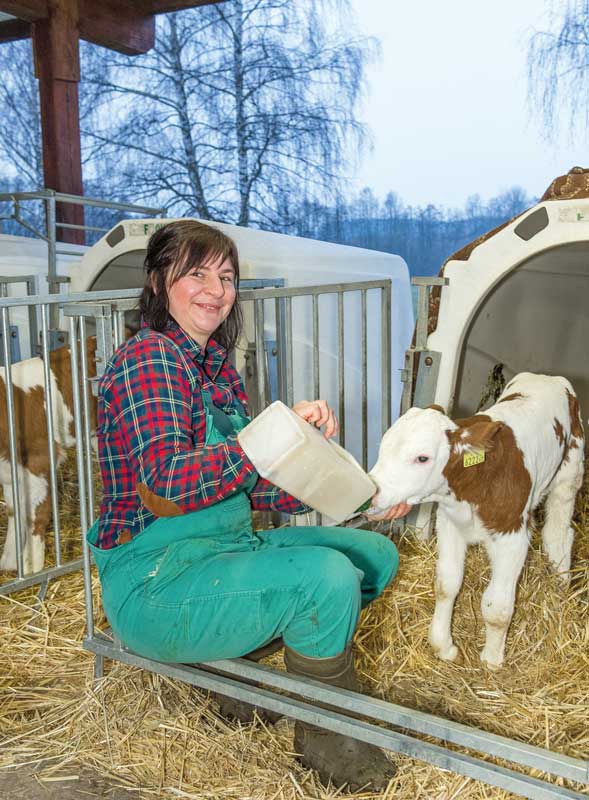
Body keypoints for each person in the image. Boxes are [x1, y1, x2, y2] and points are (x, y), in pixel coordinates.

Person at [86, 219, 408, 792]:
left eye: (227, 276)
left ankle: (238, 686)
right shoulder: (150, 360)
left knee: (372, 556)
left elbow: (255, 486)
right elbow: (168, 479)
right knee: (326, 578)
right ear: (160, 283)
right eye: (198, 273)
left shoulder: (216, 372)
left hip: (224, 551)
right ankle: (332, 745)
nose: (217, 289)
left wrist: (357, 494)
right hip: (157, 578)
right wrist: (270, 436)